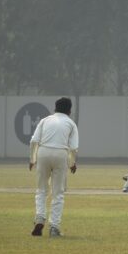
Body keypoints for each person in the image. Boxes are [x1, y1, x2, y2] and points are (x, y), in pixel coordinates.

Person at [29, 97, 79, 237]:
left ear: (55, 108)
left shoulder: (45, 120)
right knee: (58, 193)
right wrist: (72, 163)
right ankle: (54, 227)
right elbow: (74, 147)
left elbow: (34, 141)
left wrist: (32, 159)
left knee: (41, 190)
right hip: (60, 154)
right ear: (69, 110)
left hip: (43, 153)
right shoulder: (71, 123)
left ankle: (39, 218)